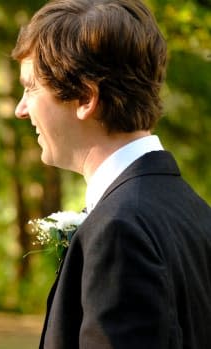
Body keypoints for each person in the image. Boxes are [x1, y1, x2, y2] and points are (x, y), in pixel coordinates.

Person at [11, 0, 211, 348]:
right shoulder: (195, 211)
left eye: (31, 87)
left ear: (86, 98)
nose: (20, 109)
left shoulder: (119, 230)